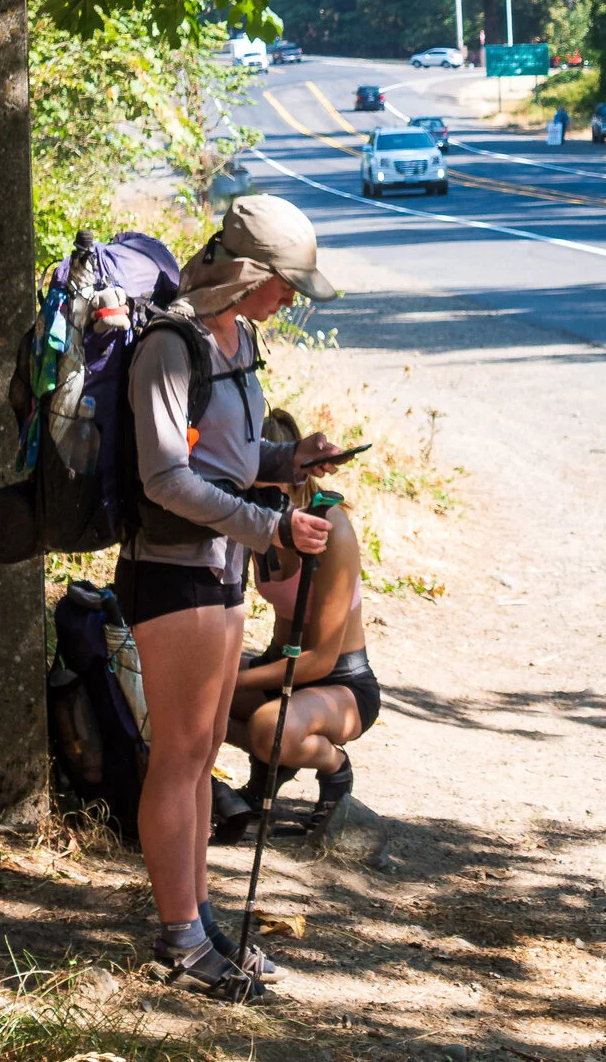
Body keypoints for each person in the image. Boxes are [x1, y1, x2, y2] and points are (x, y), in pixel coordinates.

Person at [121, 193, 355, 995]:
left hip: (218, 563)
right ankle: (180, 938)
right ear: (248, 272)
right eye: (286, 282)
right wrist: (271, 525)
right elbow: (166, 475)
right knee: (179, 756)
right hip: (171, 564)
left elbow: (227, 450)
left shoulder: (238, 336)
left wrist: (291, 461)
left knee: (197, 755)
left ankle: (198, 919)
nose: (291, 297)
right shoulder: (170, 344)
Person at [220, 416, 379, 841]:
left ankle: (332, 766)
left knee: (266, 727)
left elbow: (320, 658)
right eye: (252, 488)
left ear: (294, 475)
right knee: (194, 697)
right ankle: (271, 764)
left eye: (271, 485)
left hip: (339, 681)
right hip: (284, 667)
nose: (259, 499)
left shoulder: (331, 528)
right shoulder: (256, 523)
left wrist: (235, 680)